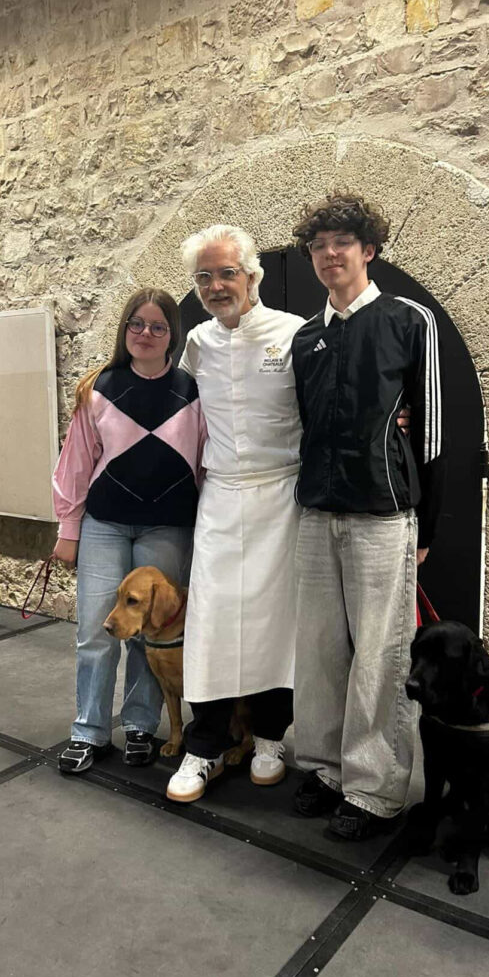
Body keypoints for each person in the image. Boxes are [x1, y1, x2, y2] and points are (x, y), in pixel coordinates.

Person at [290, 194, 447, 840]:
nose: (330, 254)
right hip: (316, 513)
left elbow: (432, 431)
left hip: (384, 516)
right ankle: (325, 769)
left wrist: (428, 528)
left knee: (381, 657)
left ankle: (374, 790)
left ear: (368, 249)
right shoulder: (306, 337)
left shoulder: (410, 321)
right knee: (321, 652)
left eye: (342, 243)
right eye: (320, 245)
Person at [164, 225, 305, 804]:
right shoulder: (196, 342)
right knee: (213, 623)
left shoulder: (295, 334)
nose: (217, 286)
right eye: (204, 276)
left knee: (279, 626)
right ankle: (205, 747)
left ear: (253, 276)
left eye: (227, 273)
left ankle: (271, 738)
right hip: (221, 495)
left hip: (282, 496)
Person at [52, 288, 205, 774]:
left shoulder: (193, 392)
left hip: (168, 527)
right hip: (105, 525)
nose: (145, 334)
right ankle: (89, 730)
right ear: (125, 329)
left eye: (158, 326)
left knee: (150, 631)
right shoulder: (98, 389)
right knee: (97, 629)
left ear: (172, 336)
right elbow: (75, 465)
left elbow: (205, 464)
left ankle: (141, 724)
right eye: (136, 324)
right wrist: (68, 529)